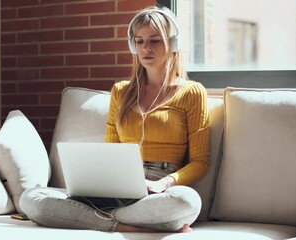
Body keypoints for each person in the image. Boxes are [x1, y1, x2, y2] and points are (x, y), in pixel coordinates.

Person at [20, 6, 209, 233]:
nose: (145, 48)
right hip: (118, 185)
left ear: (173, 44)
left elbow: (200, 162)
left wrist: (164, 183)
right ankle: (126, 225)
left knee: (187, 202)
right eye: (139, 41)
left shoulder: (192, 92)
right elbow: (110, 152)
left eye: (155, 41)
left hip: (158, 190)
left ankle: (94, 218)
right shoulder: (121, 91)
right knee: (30, 198)